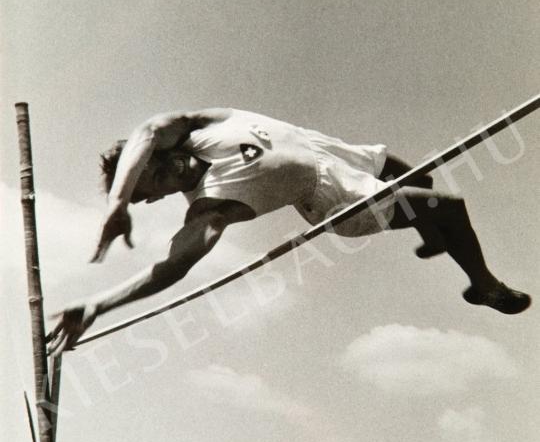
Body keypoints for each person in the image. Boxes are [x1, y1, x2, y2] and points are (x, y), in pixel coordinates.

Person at [47, 107, 531, 354]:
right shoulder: (209, 208)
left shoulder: (202, 125)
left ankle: (431, 236)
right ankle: (483, 285)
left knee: (421, 179)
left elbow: (150, 128)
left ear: (148, 163)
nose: (146, 201)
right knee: (448, 206)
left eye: (140, 190)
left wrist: (117, 203)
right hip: (334, 194)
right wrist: (98, 305)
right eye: (138, 202)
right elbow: (173, 265)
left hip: (334, 150)